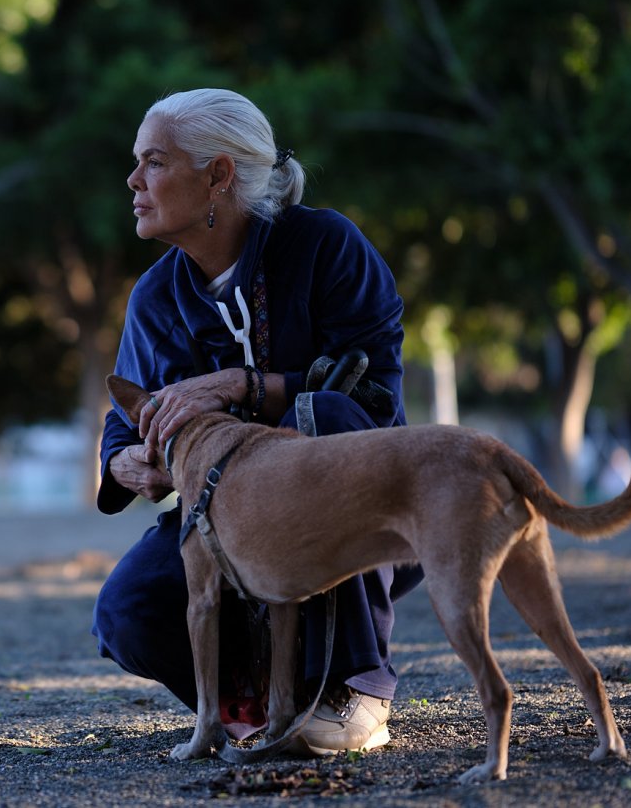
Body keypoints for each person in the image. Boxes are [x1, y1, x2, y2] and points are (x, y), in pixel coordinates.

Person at [92, 88, 423, 756]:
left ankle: (356, 690)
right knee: (127, 610)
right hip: (229, 524)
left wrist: (241, 385)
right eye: (137, 162)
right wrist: (127, 463)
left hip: (361, 513)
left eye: (154, 162)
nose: (133, 181)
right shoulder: (155, 295)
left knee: (326, 415)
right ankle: (253, 706)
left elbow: (375, 409)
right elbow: (125, 424)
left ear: (218, 175)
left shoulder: (326, 245)